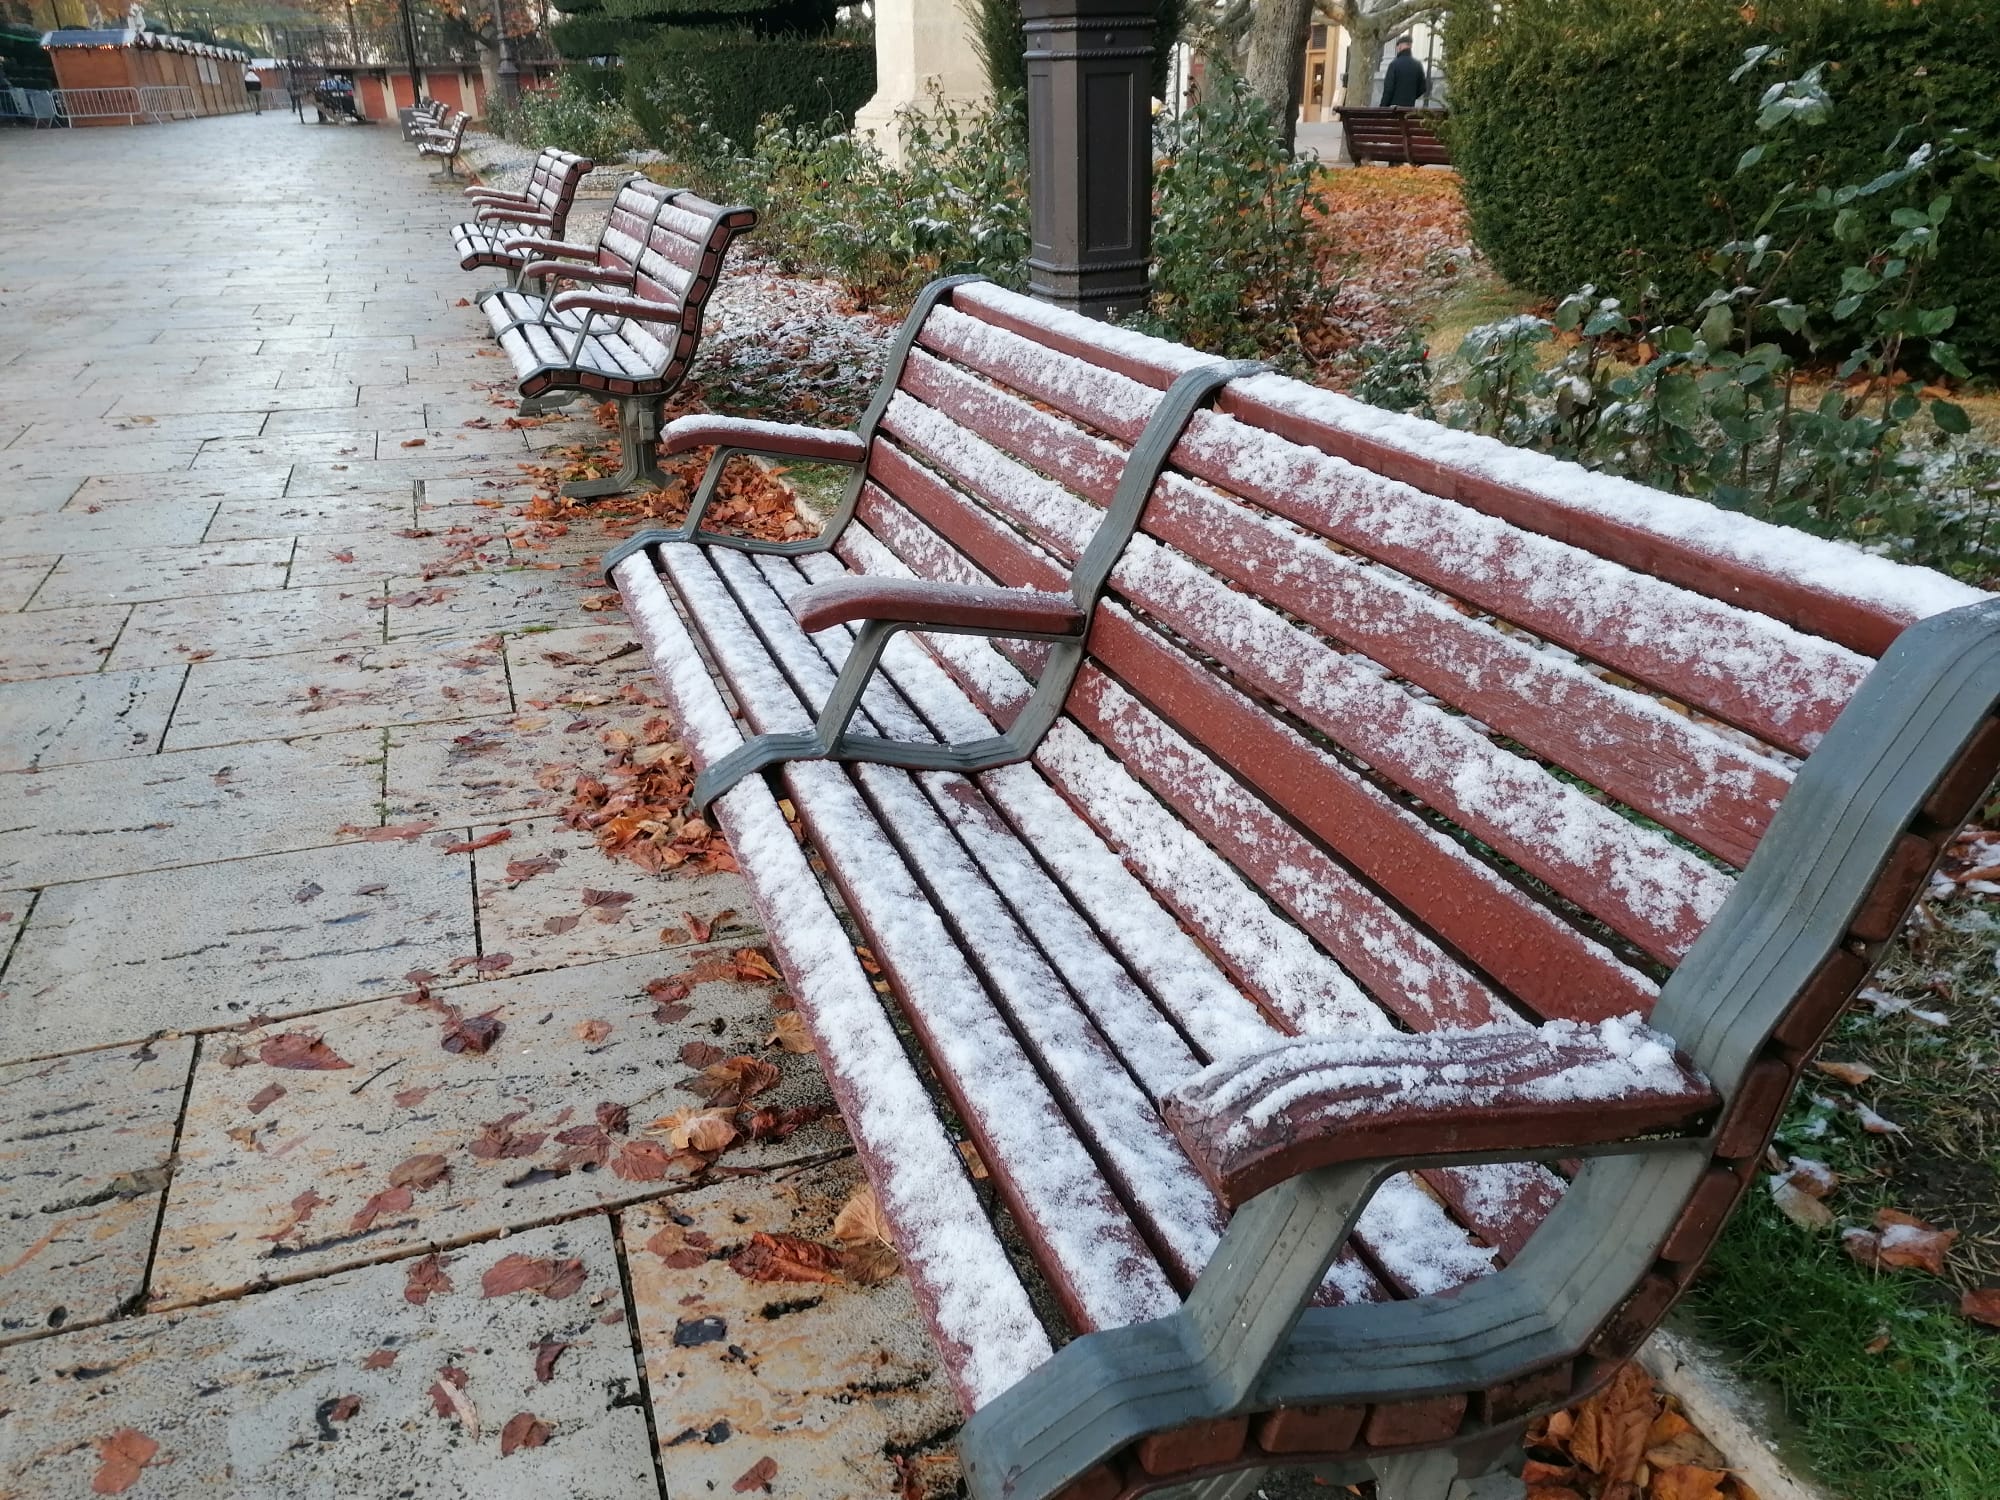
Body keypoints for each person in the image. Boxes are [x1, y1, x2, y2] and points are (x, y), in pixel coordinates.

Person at [1380, 35, 1428, 109]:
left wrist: (1382, 107)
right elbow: (1423, 87)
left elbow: (1388, 89)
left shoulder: (1394, 64)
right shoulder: (1418, 65)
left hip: (1394, 108)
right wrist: (1411, 96)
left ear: (1400, 46)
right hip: (1409, 107)